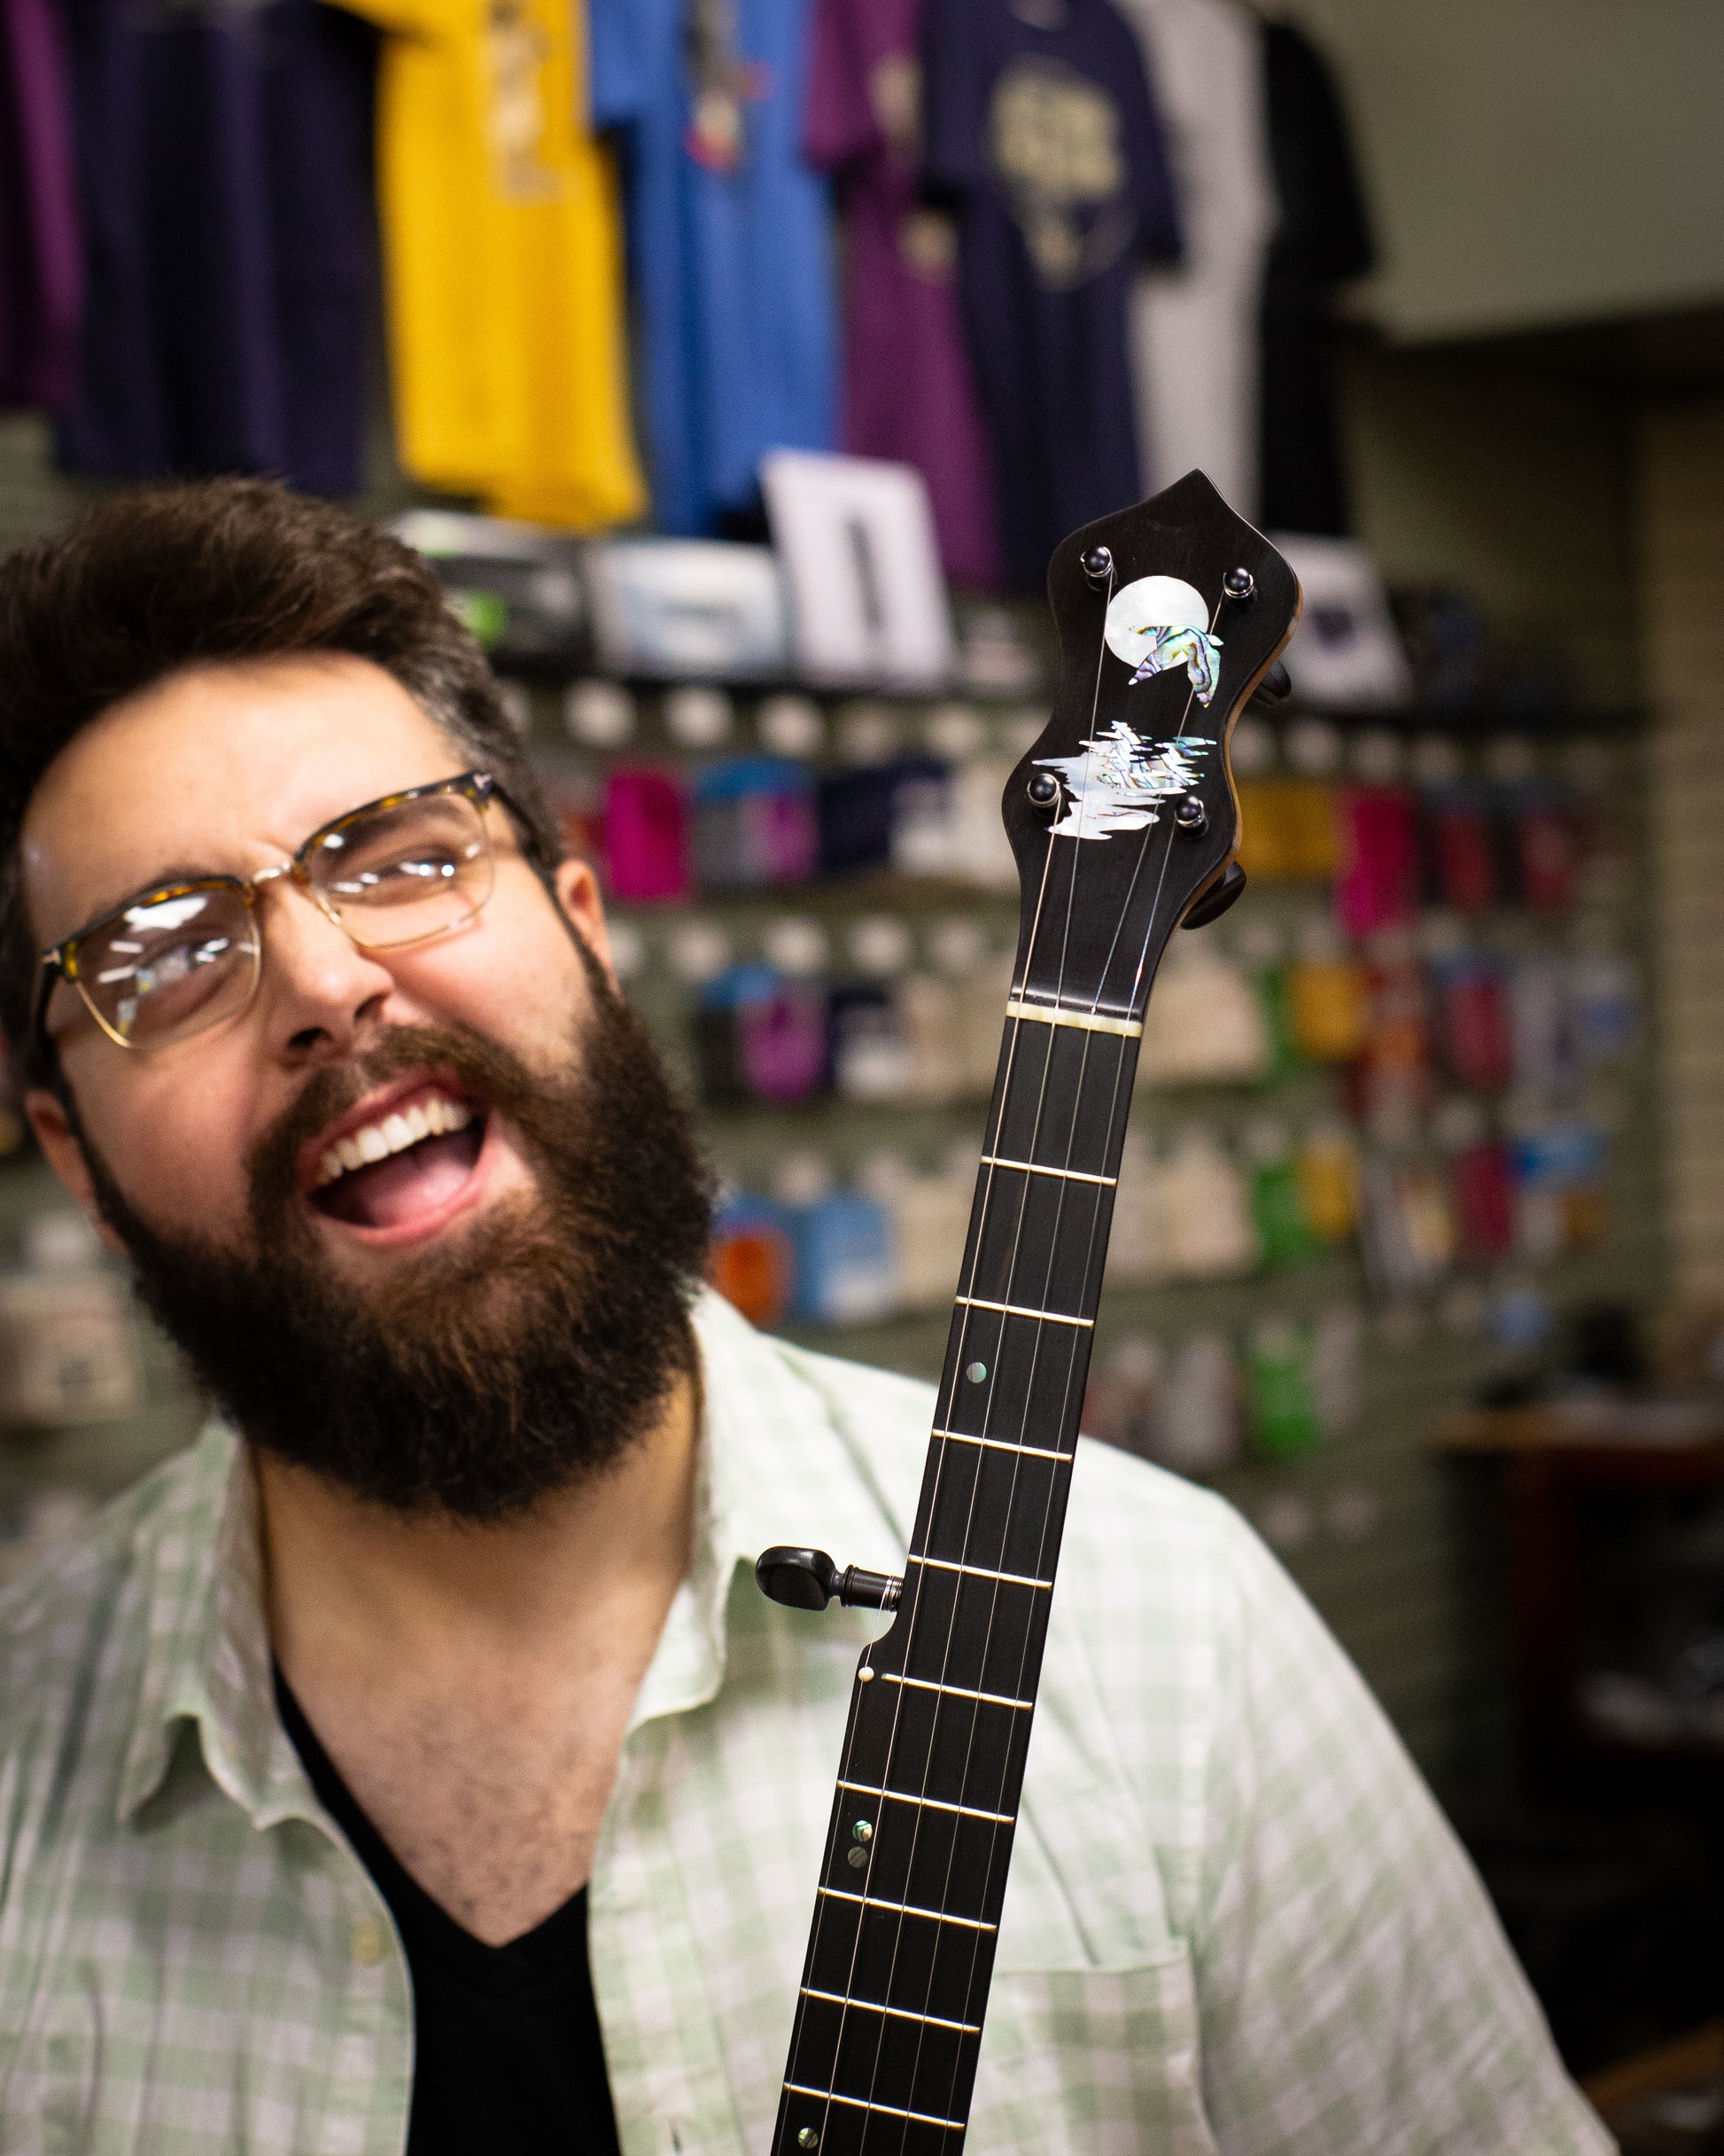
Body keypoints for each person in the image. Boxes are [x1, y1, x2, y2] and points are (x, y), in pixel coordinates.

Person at [0, 480, 1605, 2156]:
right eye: (168, 955)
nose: (327, 980)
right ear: (74, 1156)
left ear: (587, 934)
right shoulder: (19, 1792)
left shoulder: (1169, 1643)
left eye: (402, 857)